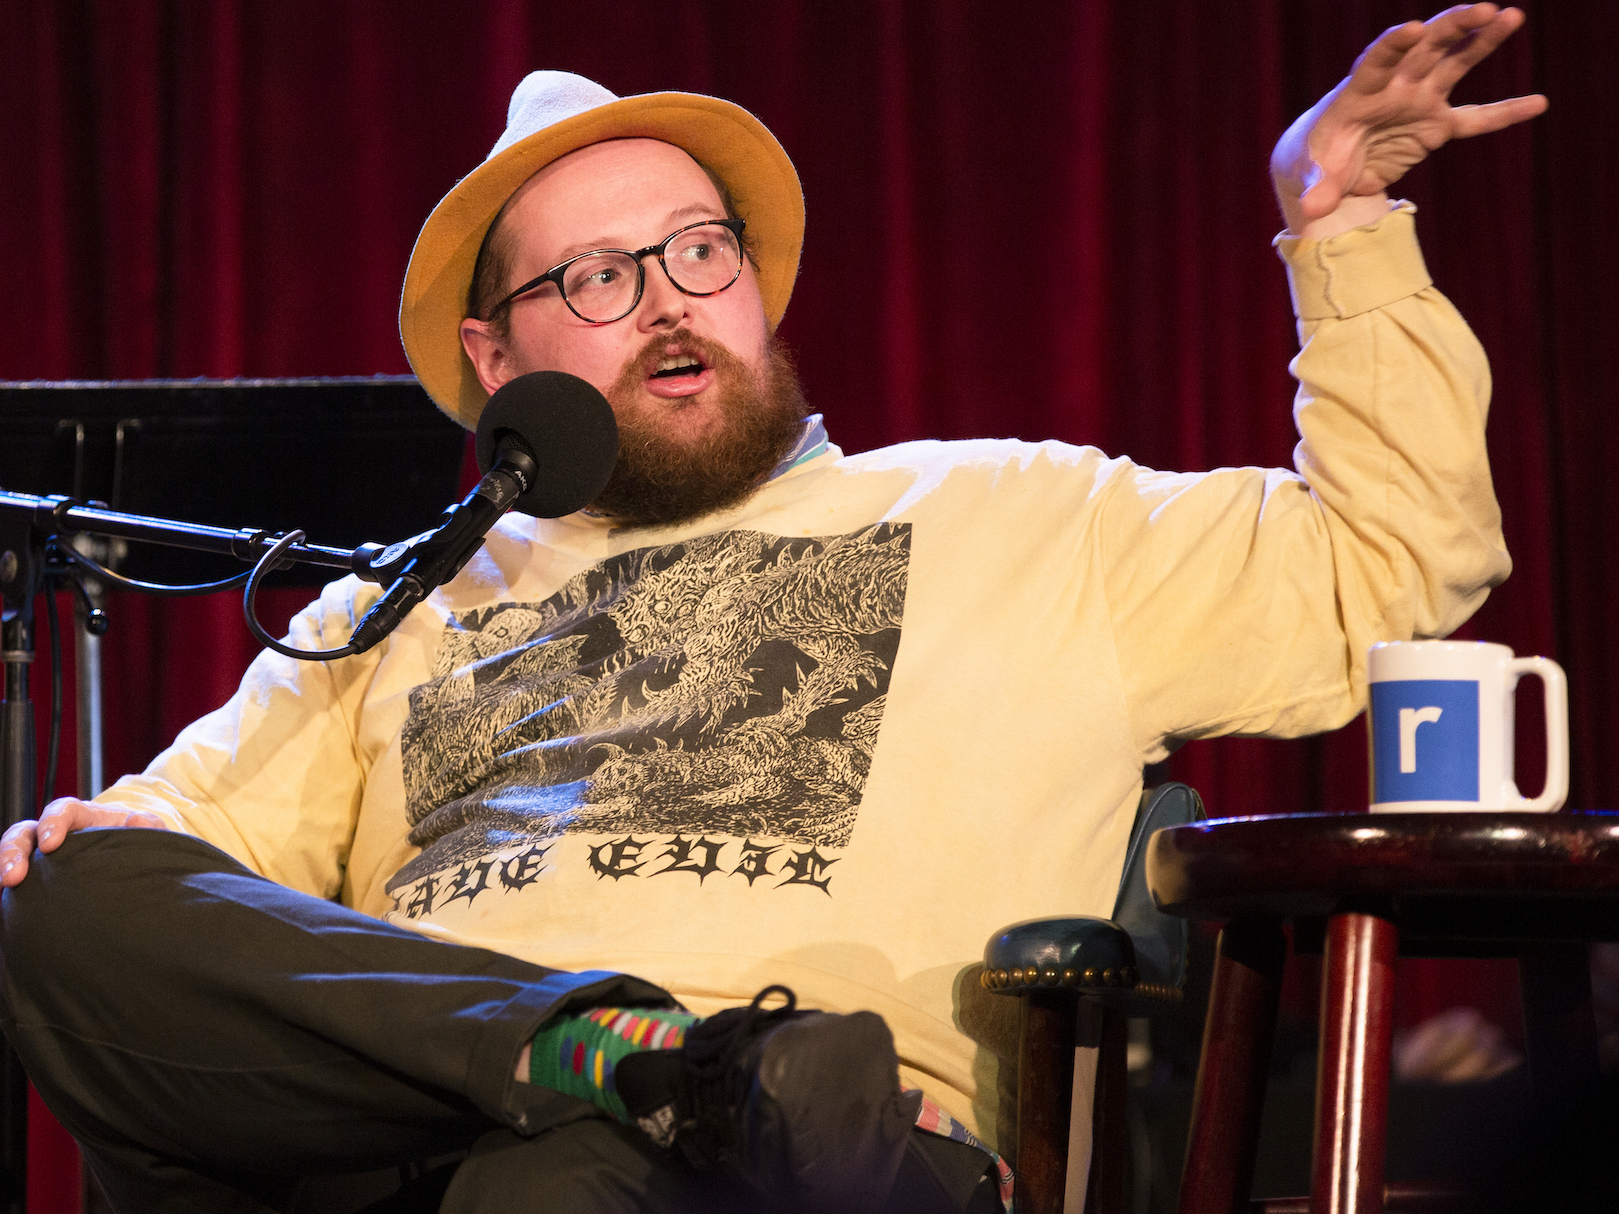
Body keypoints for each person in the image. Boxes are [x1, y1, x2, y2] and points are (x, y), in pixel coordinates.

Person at [0, 5, 1546, 1212]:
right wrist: (77, 861)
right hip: (475, 1142)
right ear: (496, 360)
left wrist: (1338, 228)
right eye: (598, 278)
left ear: (753, 282)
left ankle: (661, 1077)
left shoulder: (1013, 513)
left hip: (839, 1166)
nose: (669, 299)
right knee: (55, 906)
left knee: (556, 1190)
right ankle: (628, 1057)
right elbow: (161, 867)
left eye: (696, 251)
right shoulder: (406, 604)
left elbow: (1393, 564)